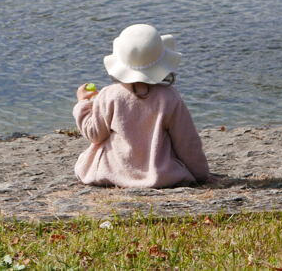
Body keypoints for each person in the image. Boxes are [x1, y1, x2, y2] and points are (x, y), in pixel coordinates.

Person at [73, 23, 216, 188]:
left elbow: (94, 134)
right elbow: (187, 142)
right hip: (160, 174)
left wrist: (84, 104)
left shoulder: (109, 94)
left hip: (112, 171)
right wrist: (200, 174)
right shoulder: (170, 97)